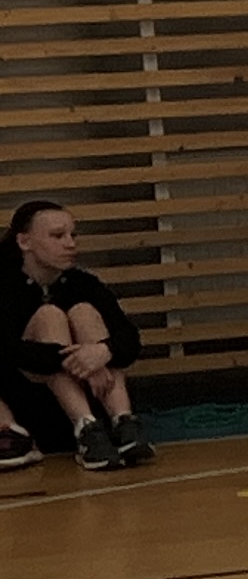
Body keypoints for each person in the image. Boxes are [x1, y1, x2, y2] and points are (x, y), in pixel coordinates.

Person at [7, 201, 150, 469]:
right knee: (50, 316)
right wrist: (76, 359)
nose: (70, 243)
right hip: (34, 408)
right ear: (25, 242)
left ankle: (123, 421)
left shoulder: (84, 284)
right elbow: (8, 351)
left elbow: (130, 339)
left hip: (96, 399)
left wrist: (101, 352)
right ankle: (85, 427)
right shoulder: (6, 287)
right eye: (58, 236)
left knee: (84, 313)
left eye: (73, 235)